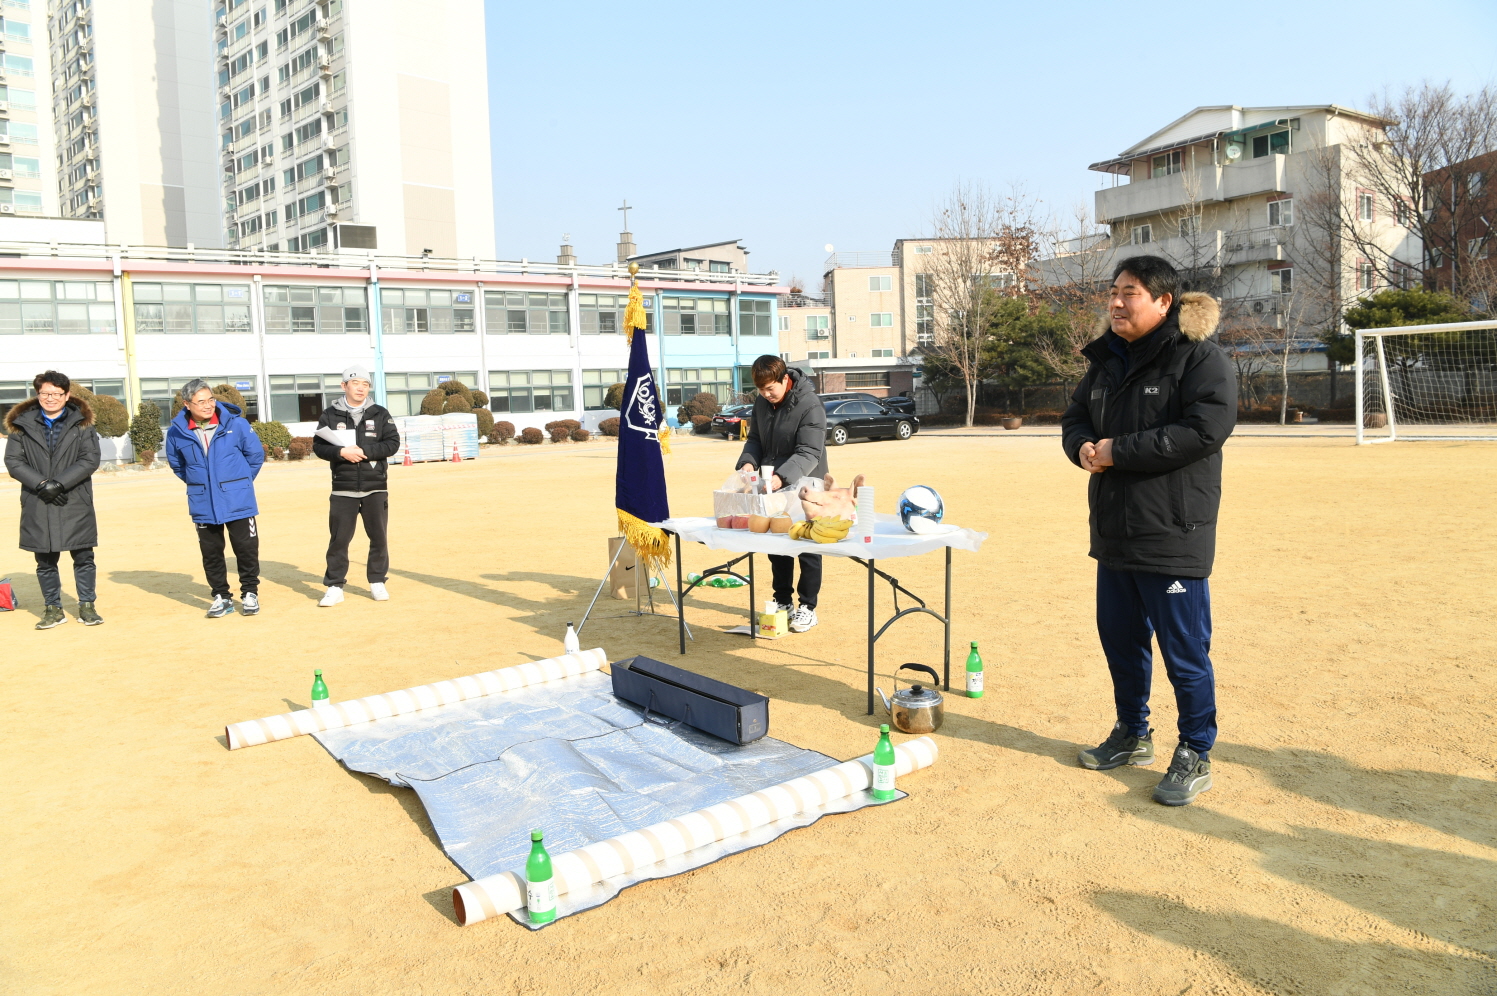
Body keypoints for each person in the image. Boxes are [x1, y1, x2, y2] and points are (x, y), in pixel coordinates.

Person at [1061, 255, 1236, 807]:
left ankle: (1195, 749)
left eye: (1129, 293)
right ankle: (1133, 733)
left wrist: (1119, 450)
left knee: (1184, 650)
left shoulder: (1199, 360)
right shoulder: (1106, 362)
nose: (1115, 302)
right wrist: (1083, 448)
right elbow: (1075, 418)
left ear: (1164, 302)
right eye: (1113, 292)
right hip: (1115, 531)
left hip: (1172, 531)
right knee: (1121, 640)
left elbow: (1205, 430)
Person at [3, 370, 103, 629]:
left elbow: (89, 459)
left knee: (83, 555)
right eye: (45, 393)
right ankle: (52, 608)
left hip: (74, 498)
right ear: (37, 395)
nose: (51, 398)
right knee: (45, 560)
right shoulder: (22, 424)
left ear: (67, 395)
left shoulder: (81, 422)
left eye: (57, 394)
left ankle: (87, 605)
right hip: (38, 500)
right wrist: (41, 484)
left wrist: (59, 484)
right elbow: (13, 461)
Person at [736, 355, 828, 633]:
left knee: (807, 546)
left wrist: (782, 477)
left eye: (770, 389)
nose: (765, 395)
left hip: (806, 484)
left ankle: (807, 608)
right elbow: (755, 439)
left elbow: (810, 451)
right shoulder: (762, 403)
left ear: (785, 379)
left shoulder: (810, 404)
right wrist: (748, 462)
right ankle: (783, 601)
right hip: (771, 481)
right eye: (760, 390)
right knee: (778, 544)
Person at [165, 379, 265, 618]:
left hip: (238, 500)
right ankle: (221, 596)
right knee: (211, 552)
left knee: (246, 548)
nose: (208, 405)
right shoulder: (177, 432)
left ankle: (250, 593)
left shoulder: (237, 424)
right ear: (187, 404)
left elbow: (255, 456)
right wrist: (203, 485)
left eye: (210, 399)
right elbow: (178, 466)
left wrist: (239, 484)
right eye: (201, 402)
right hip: (203, 502)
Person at [311, 364, 400, 606]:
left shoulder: (380, 413)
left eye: (365, 384)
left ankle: (377, 581)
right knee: (339, 539)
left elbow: (392, 444)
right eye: (355, 383)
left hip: (375, 486)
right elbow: (318, 446)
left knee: (378, 537)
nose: (361, 388)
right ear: (344, 386)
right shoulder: (330, 414)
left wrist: (364, 451)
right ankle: (334, 586)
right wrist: (341, 452)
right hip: (343, 487)